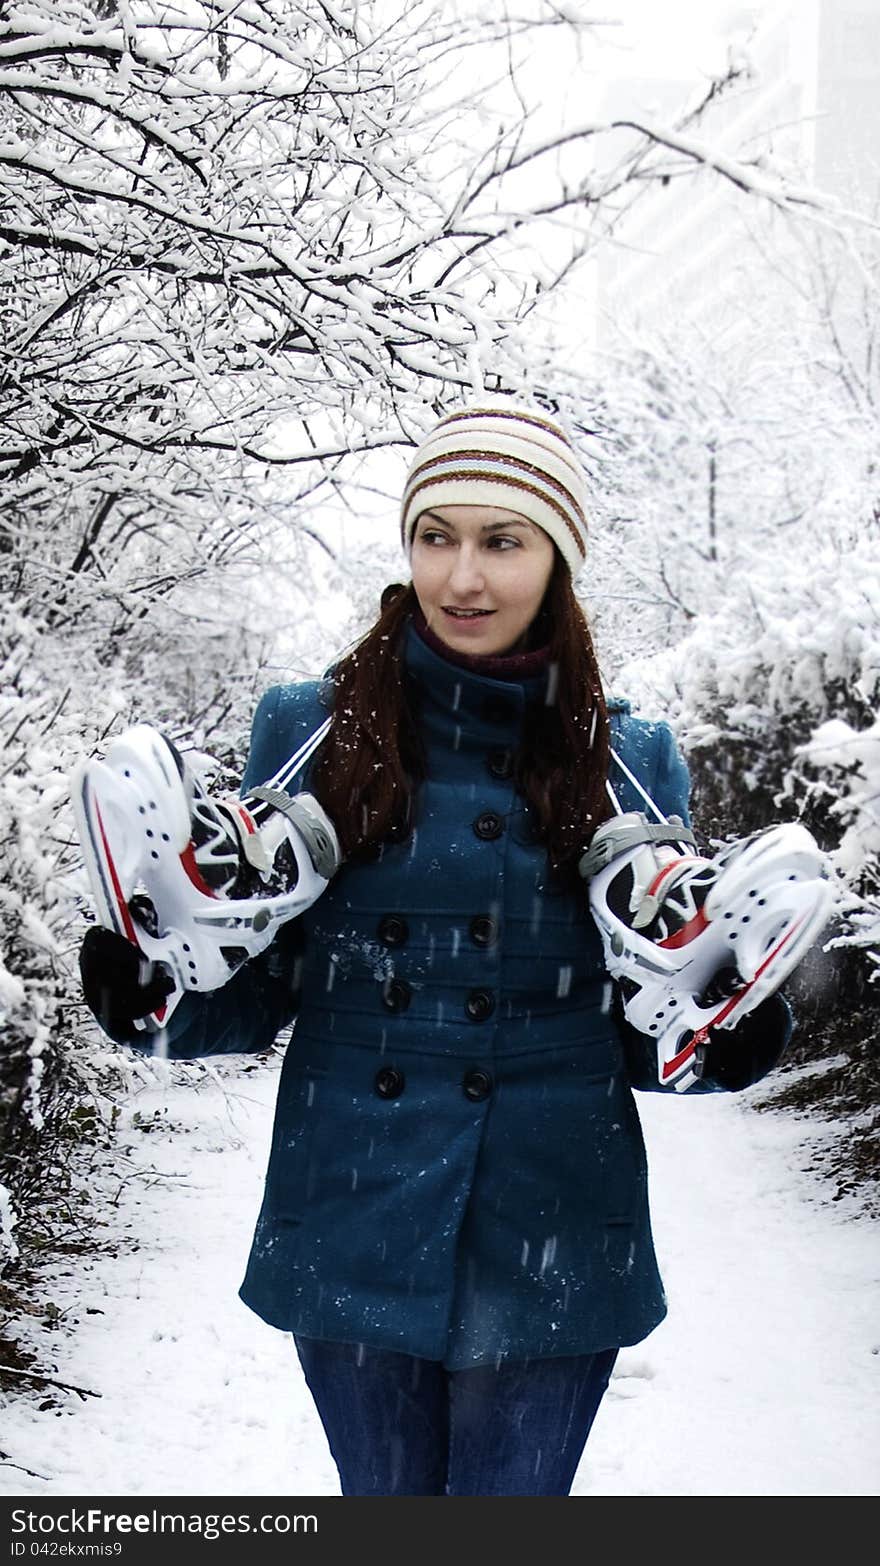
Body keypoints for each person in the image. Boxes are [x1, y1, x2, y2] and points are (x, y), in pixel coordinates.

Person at [79, 402, 792, 1496]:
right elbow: (251, 980)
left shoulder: (629, 755)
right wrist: (153, 994)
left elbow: (651, 1019)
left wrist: (726, 1027)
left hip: (551, 1207)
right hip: (359, 1204)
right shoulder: (310, 728)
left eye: (502, 541)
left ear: (557, 559)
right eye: (435, 535)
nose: (461, 576)